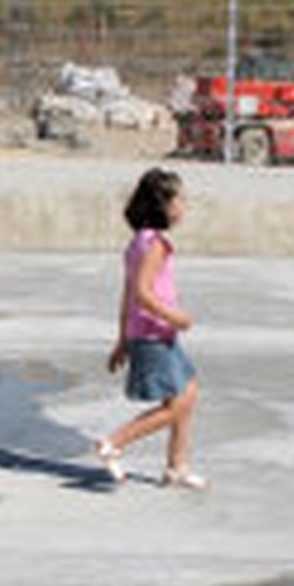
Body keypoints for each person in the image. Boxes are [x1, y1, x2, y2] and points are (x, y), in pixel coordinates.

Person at [94, 168, 206, 489]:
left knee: (188, 392)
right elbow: (143, 294)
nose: (184, 206)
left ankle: (176, 468)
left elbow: (128, 294)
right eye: (179, 199)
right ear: (163, 205)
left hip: (147, 334)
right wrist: (175, 317)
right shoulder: (155, 244)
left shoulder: (137, 243)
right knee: (175, 405)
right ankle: (113, 442)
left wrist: (122, 339)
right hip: (155, 334)